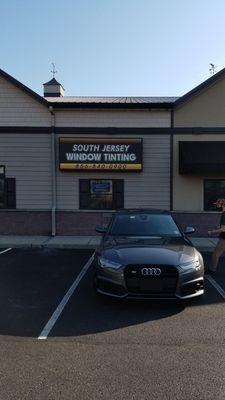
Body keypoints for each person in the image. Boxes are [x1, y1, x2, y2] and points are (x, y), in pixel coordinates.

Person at [208, 198, 225, 273]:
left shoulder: (224, 214)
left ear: (222, 205)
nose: (217, 206)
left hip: (224, 238)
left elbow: (223, 229)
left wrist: (211, 232)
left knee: (216, 253)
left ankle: (212, 269)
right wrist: (219, 227)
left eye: (218, 204)